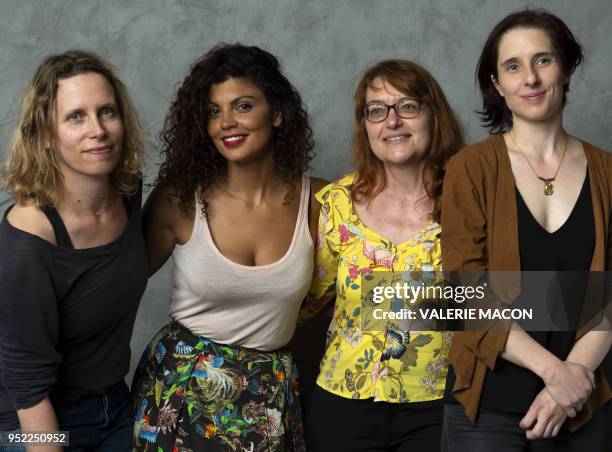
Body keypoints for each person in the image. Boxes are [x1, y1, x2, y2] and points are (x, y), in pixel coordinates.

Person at [132, 43, 325, 451]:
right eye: (213, 111)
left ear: (276, 113)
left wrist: (483, 305)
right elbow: (113, 283)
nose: (226, 123)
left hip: (269, 398)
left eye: (242, 106)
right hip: (181, 393)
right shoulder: (180, 198)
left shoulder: (321, 202)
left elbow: (376, 273)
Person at [441, 9, 612, 451]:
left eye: (543, 60)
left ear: (566, 67)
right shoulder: (471, 167)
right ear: (497, 84)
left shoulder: (609, 171)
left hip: (585, 398)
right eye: (512, 66)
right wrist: (555, 374)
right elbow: (464, 291)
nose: (530, 79)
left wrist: (571, 382)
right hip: (487, 400)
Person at [302, 59, 464, 451]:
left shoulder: (471, 199)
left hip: (438, 405)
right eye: (377, 110)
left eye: (407, 106)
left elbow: (504, 300)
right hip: (343, 402)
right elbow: (309, 301)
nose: (392, 121)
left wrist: (391, 299)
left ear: (434, 116)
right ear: (366, 126)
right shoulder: (337, 203)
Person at [0, 50, 147, 451]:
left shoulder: (129, 192)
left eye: (107, 112)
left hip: (114, 403)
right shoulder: (30, 238)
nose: (98, 130)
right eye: (75, 116)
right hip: (33, 420)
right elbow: (27, 386)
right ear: (46, 135)